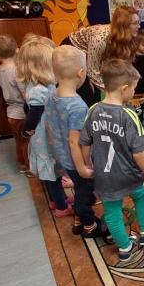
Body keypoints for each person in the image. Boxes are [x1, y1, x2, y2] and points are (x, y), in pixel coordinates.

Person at [80, 59, 144, 265]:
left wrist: (87, 164)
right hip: (129, 174)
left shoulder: (93, 110)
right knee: (141, 196)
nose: (134, 92)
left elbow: (85, 142)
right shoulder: (129, 115)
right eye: (133, 88)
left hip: (105, 176)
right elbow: (138, 154)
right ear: (124, 88)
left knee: (112, 212)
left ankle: (125, 248)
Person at [45, 45, 110, 239]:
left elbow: (49, 126)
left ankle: (79, 219)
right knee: (85, 191)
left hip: (62, 156)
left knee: (81, 189)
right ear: (81, 73)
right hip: (77, 160)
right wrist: (82, 167)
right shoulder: (77, 106)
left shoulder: (51, 96)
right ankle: (88, 223)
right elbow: (75, 142)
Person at [16, 38, 72, 217]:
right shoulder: (39, 90)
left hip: (48, 135)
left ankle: (57, 200)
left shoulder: (38, 86)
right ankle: (62, 207)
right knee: (52, 175)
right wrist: (26, 130)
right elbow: (34, 114)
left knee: (51, 173)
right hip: (46, 138)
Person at [67, 5, 141, 106]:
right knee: (89, 93)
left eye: (139, 22)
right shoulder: (100, 38)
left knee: (98, 87)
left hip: (92, 54)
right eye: (135, 23)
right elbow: (93, 72)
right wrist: (115, 93)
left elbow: (123, 66)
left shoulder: (127, 37)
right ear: (124, 25)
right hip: (73, 50)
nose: (139, 26)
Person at [0, 34, 27, 171]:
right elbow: (24, 93)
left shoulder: (0, 70)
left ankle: (22, 163)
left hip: (11, 113)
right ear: (17, 49)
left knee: (19, 140)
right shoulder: (16, 70)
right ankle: (29, 167)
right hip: (21, 112)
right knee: (27, 142)